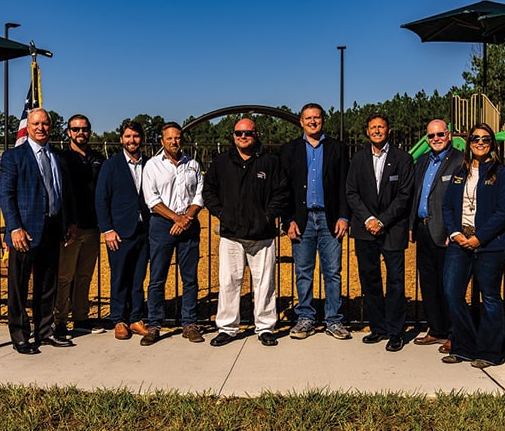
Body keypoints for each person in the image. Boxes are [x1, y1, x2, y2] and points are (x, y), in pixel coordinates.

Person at [202, 118, 289, 348]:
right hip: (231, 234)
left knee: (265, 283)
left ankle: (265, 327)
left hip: (263, 235)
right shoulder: (222, 162)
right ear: (233, 136)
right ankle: (227, 328)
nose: (243, 136)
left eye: (247, 133)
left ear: (256, 134)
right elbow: (208, 191)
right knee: (229, 282)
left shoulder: (270, 162)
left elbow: (282, 192)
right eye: (239, 133)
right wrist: (222, 214)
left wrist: (268, 216)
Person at [0, 108, 76, 355]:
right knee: (19, 286)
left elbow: (64, 193)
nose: (41, 127)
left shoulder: (58, 158)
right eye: (36, 123)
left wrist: (68, 223)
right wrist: (14, 228)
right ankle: (20, 335)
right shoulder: (14, 157)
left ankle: (45, 330)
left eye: (45, 123)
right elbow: (6, 195)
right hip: (25, 231)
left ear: (50, 127)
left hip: (52, 228)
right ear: (28, 127)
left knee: (47, 284)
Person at [440, 123, 505, 368]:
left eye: (485, 138)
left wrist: (480, 237)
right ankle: (464, 346)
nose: (480, 142)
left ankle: (490, 351)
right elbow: (447, 206)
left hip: (490, 245)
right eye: (475, 138)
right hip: (459, 242)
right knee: (452, 293)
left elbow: (504, 211)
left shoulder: (501, 173)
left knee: (490, 297)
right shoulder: (460, 171)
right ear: (469, 143)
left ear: (492, 143)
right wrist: (454, 232)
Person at [280, 103, 352, 341]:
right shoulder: (290, 150)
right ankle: (305, 318)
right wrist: (288, 220)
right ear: (301, 121)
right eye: (308, 118)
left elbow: (345, 185)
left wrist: (344, 216)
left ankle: (334, 319)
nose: (313, 121)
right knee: (303, 272)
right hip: (302, 220)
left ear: (323, 120)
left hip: (330, 219)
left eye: (317, 117)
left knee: (332, 272)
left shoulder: (337, 148)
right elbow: (284, 189)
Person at [346, 113, 414, 352]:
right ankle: (378, 327)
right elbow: (351, 192)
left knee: (395, 281)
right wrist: (368, 219)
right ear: (367, 131)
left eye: (381, 127)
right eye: (373, 127)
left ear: (388, 130)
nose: (377, 131)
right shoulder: (358, 158)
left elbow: (404, 195)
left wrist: (382, 221)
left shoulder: (403, 159)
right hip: (365, 229)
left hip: (392, 228)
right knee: (370, 279)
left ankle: (396, 331)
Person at [141, 122, 205, 345]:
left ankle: (189, 323)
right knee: (158, 277)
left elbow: (199, 194)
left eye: (177, 138)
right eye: (169, 138)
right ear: (162, 141)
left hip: (189, 224)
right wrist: (176, 218)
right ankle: (155, 324)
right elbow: (152, 199)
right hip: (162, 225)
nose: (174, 142)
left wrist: (186, 218)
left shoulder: (193, 165)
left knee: (190, 278)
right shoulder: (152, 166)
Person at [95, 120, 152, 342]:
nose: (132, 140)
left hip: (144, 230)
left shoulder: (150, 164)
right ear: (121, 139)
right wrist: (107, 229)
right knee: (119, 276)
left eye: (136, 136)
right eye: (128, 136)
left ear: (142, 139)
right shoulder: (111, 165)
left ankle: (135, 317)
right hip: (119, 232)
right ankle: (118, 319)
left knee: (138, 278)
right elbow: (101, 199)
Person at [408, 119, 460, 352]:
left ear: (448, 135)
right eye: (431, 136)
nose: (436, 139)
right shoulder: (422, 162)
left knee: (449, 284)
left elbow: (461, 199)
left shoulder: (459, 160)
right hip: (423, 228)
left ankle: (453, 332)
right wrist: (411, 224)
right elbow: (416, 194)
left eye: (440, 134)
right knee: (428, 283)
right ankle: (436, 329)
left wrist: (454, 229)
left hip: (446, 232)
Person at [55, 114, 105, 337]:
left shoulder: (98, 158)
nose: (80, 133)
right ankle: (60, 320)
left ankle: (81, 318)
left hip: (92, 226)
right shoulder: (62, 158)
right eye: (76, 130)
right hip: (70, 227)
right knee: (65, 276)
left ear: (90, 131)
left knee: (84, 276)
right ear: (68, 132)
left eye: (84, 129)